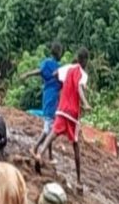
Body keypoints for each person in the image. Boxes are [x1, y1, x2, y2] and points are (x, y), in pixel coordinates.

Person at [36, 47, 90, 191]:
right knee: (75, 145)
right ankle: (79, 181)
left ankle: (40, 153)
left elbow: (55, 73)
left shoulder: (67, 68)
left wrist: (58, 83)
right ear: (84, 61)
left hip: (61, 109)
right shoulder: (82, 74)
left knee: (52, 133)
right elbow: (79, 87)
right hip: (72, 114)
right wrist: (85, 102)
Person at [21, 41, 63, 162]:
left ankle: (49, 155)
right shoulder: (58, 67)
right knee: (48, 129)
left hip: (47, 96)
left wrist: (27, 74)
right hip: (52, 98)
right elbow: (62, 82)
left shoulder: (46, 64)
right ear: (59, 53)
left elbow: (39, 72)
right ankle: (35, 148)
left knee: (50, 126)